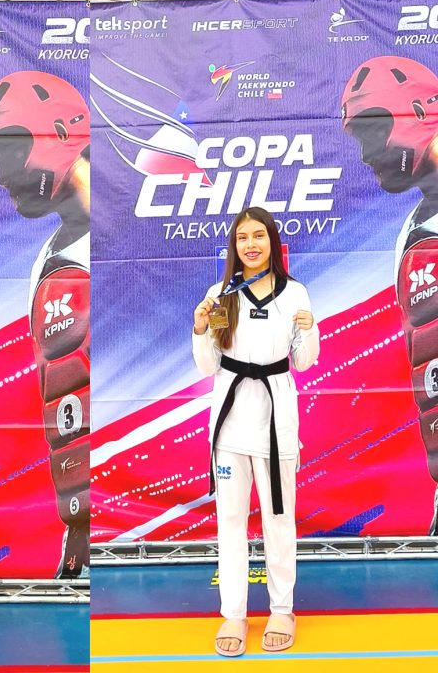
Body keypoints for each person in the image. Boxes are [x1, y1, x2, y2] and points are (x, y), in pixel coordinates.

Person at [192, 206, 319, 656]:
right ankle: (234, 613)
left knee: (279, 519)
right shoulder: (221, 295)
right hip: (229, 425)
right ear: (234, 245)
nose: (251, 245)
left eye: (259, 236)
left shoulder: (295, 293)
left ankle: (282, 609)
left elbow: (303, 362)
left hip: (275, 421)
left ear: (272, 242)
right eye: (243, 237)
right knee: (230, 520)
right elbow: (208, 365)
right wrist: (200, 328)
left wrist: (309, 330)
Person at [0, 71, 90, 578]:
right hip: (79, 522)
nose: (3, 176)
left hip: (131, 512)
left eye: (9, 152)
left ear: (62, 131)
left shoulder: (131, 237)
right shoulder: (46, 259)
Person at [342, 55, 438, 534]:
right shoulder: (411, 233)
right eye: (358, 138)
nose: (365, 154)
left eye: (372, 131)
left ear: (420, 111)